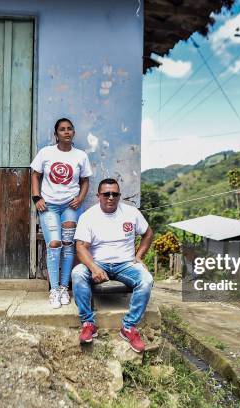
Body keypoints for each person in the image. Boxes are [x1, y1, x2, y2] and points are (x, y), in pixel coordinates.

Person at [72, 178, 154, 353]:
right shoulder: (88, 216)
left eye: (114, 194)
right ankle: (88, 323)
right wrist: (94, 268)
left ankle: (129, 327)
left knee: (146, 279)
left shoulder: (131, 213)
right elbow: (80, 247)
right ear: (98, 196)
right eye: (106, 194)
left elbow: (148, 233)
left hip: (125, 264)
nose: (110, 197)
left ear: (119, 196)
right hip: (98, 263)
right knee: (78, 273)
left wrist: (139, 256)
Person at [31, 118, 93, 308]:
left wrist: (81, 198)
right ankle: (54, 290)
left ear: (73, 132)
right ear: (56, 134)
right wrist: (36, 197)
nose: (66, 132)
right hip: (49, 205)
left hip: (71, 207)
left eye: (69, 129)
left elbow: (85, 180)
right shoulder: (46, 153)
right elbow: (35, 174)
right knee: (54, 244)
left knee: (68, 246)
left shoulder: (80, 156)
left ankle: (65, 288)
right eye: (62, 129)